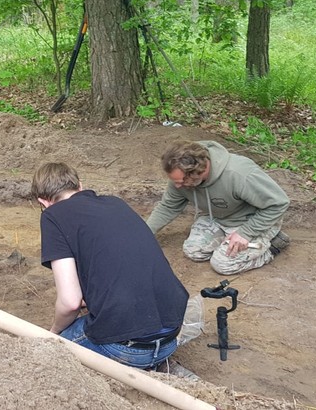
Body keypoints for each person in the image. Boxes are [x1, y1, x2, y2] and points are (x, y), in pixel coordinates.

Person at [33, 162, 189, 370]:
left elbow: (70, 302)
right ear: (80, 185)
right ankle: (157, 365)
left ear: (43, 201)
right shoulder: (116, 203)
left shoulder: (53, 216)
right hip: (170, 337)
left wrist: (53, 333)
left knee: (45, 352)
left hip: (126, 349)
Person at [146, 140, 291, 275]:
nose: (177, 186)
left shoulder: (239, 173)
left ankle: (273, 245)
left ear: (199, 171)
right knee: (193, 251)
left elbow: (279, 203)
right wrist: (143, 233)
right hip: (218, 217)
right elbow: (167, 207)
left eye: (182, 181)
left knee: (222, 264)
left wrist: (246, 233)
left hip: (251, 221)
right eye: (175, 181)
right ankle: (231, 243)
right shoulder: (180, 179)